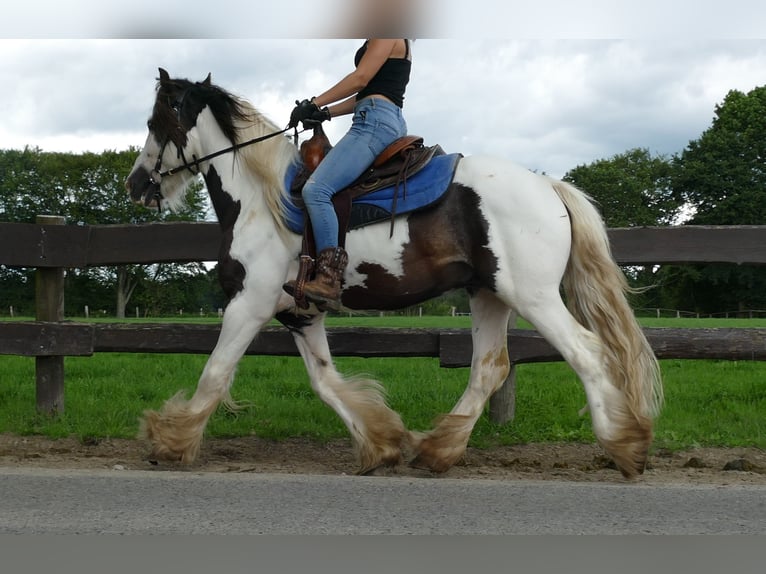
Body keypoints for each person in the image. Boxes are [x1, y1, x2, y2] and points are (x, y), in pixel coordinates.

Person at [284, 39, 412, 307]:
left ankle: (328, 278)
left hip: (373, 122)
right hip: (382, 116)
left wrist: (313, 102)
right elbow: (366, 93)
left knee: (316, 190)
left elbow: (360, 79)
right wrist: (326, 113)